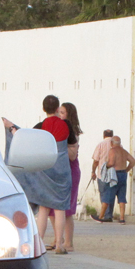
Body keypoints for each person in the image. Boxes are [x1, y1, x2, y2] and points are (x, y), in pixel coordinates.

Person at [2, 94, 73, 254]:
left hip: (45, 167)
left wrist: (12, 127)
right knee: (60, 207)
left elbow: (25, 137)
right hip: (62, 169)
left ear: (43, 109)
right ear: (57, 108)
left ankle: (39, 243)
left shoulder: (41, 126)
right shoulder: (66, 125)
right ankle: (59, 245)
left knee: (44, 207)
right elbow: (72, 143)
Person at [58, 102, 82, 251]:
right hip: (62, 168)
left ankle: (68, 242)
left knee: (67, 209)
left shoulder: (72, 132)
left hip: (70, 169)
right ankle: (59, 239)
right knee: (56, 209)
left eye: (62, 112)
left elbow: (72, 155)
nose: (59, 115)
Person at [105, 136, 135, 224]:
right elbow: (133, 161)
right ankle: (122, 218)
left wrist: (106, 166)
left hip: (115, 173)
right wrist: (126, 169)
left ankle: (105, 216)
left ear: (111, 143)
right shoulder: (124, 151)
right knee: (122, 196)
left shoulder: (112, 151)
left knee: (110, 194)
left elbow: (111, 163)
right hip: (123, 174)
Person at [90, 129, 116, 222]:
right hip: (114, 174)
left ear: (104, 135)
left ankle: (105, 215)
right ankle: (109, 214)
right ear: (112, 135)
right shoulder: (117, 145)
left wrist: (93, 172)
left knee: (103, 194)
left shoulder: (100, 144)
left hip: (102, 174)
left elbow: (96, 161)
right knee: (111, 194)